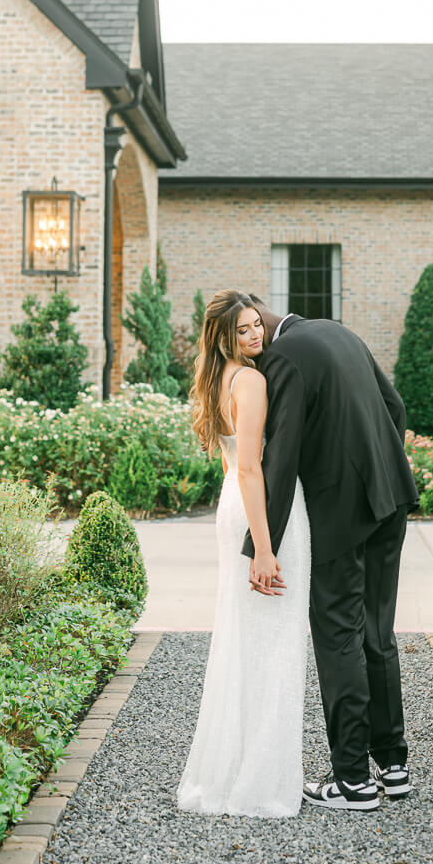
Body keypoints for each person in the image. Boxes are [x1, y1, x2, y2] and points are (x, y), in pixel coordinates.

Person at [244, 298, 419, 811]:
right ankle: (393, 767)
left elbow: (282, 456)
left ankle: (351, 781)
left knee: (339, 635)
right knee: (377, 633)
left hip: (341, 519)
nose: (252, 349)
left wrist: (262, 545)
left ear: (264, 324)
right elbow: (395, 409)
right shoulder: (339, 332)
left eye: (252, 335)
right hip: (391, 501)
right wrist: (377, 469)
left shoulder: (283, 359)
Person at [177, 290, 311, 817]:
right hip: (260, 511)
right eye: (243, 330)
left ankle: (238, 770)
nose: (256, 336)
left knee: (244, 639)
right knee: (274, 643)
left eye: (258, 326)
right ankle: (261, 782)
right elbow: (253, 466)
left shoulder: (216, 378)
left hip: (233, 501)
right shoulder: (251, 380)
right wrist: (263, 546)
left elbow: (235, 466)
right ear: (223, 336)